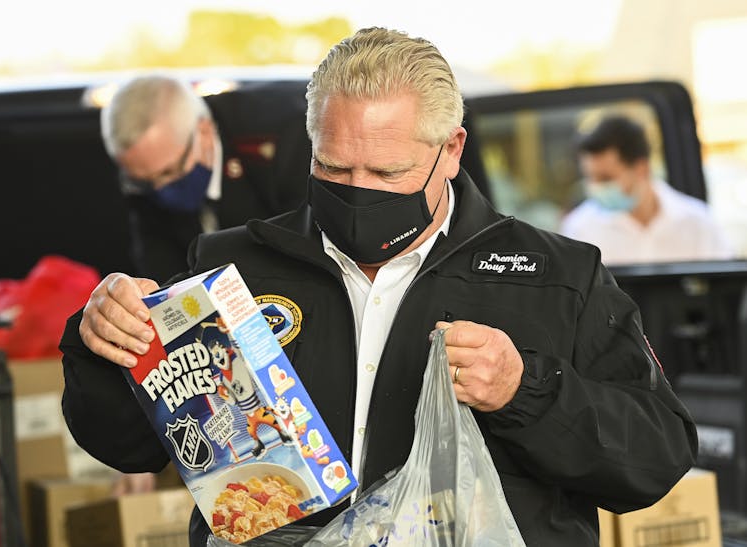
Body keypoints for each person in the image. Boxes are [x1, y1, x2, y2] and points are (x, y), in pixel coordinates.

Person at [61, 28, 697, 546]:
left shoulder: (558, 277)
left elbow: (654, 458)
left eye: (387, 171)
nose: (358, 189)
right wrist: (102, 343)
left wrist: (525, 389)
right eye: (333, 167)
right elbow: (129, 443)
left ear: (451, 151)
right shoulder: (233, 267)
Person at [101, 74, 312, 281]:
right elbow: (160, 275)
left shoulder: (284, 139)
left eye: (169, 172)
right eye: (145, 181)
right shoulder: (141, 184)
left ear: (204, 131)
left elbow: (303, 250)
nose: (160, 189)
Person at [560, 114, 733, 265]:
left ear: (641, 168)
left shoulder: (698, 223)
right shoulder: (578, 231)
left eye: (606, 178)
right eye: (590, 178)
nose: (596, 187)